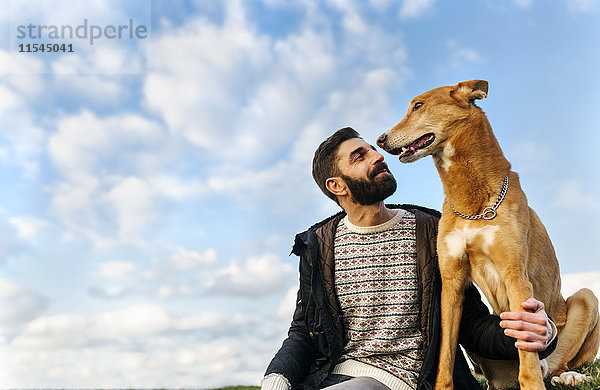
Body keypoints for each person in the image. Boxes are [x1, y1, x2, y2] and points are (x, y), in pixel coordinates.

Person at [261, 127, 557, 390]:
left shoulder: (433, 230)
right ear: (337, 186)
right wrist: (276, 379)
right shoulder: (318, 245)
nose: (377, 156)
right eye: (359, 156)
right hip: (332, 376)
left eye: (373, 150)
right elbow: (303, 331)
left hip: (403, 378)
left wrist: (539, 332)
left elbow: (470, 323)